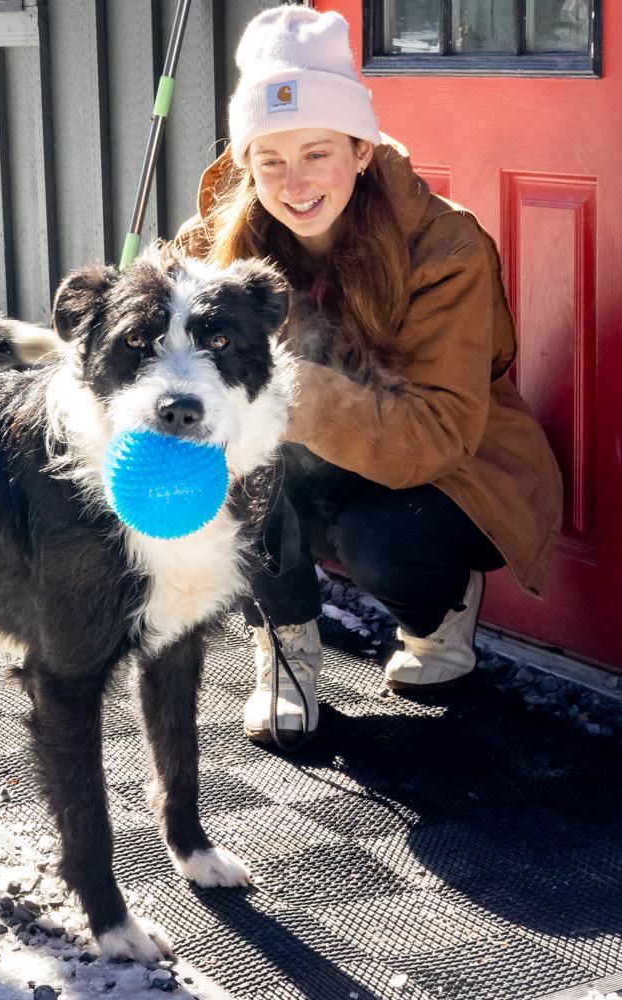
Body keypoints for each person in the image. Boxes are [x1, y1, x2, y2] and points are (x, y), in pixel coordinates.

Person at [173, 4, 563, 748]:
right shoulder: (212, 249)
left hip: (447, 473)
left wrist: (286, 391)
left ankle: (441, 615)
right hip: (310, 466)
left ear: (360, 148)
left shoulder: (445, 246)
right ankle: (286, 653)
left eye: (318, 152)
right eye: (271, 159)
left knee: (381, 541)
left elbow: (441, 431)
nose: (296, 182)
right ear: (246, 164)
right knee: (245, 466)